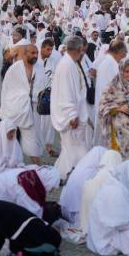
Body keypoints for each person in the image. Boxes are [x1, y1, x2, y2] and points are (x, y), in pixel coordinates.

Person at [51, 36, 92, 179]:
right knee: (72, 148)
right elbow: (65, 93)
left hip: (76, 113)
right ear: (79, 49)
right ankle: (68, 174)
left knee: (70, 147)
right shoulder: (66, 65)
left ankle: (63, 173)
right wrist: (72, 115)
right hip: (70, 116)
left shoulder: (71, 63)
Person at [97, 58, 129, 167]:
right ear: (121, 71)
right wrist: (119, 108)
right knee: (124, 157)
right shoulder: (113, 86)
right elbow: (103, 106)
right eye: (126, 72)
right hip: (122, 130)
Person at [0, 43, 43, 161]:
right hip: (15, 109)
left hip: (32, 111)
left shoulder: (40, 68)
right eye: (32, 53)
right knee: (10, 142)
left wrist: (32, 96)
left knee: (33, 144)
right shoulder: (14, 68)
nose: (35, 55)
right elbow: (6, 89)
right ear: (25, 54)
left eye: (37, 53)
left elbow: (43, 87)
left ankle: (37, 170)